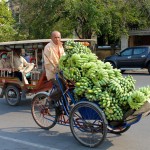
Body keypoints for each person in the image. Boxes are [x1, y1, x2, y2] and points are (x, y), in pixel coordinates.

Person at [44, 31, 65, 106]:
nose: (57, 39)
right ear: (51, 38)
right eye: (55, 37)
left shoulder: (61, 46)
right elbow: (47, 63)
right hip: (52, 73)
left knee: (69, 85)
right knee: (61, 88)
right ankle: (50, 98)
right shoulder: (48, 47)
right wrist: (55, 70)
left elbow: (63, 58)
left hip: (61, 71)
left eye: (58, 37)